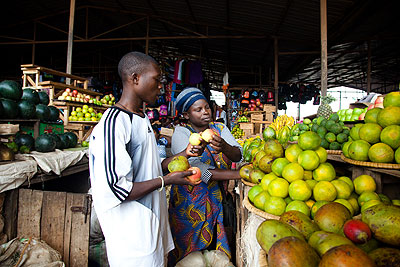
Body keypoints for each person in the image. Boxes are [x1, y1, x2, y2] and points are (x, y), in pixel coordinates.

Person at [88, 52, 202, 267]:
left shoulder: (140, 119)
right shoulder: (114, 124)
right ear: (135, 78)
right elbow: (117, 189)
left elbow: (147, 169)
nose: (160, 87)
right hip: (131, 236)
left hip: (151, 226)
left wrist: (184, 154)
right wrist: (167, 181)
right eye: (157, 80)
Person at [165, 87, 243, 265]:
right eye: (198, 110)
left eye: (207, 107)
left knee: (214, 253)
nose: (205, 112)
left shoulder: (220, 128)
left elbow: (238, 155)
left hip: (216, 199)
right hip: (188, 203)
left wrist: (224, 147)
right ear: (186, 114)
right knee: (188, 254)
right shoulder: (182, 132)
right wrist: (239, 174)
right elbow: (196, 169)